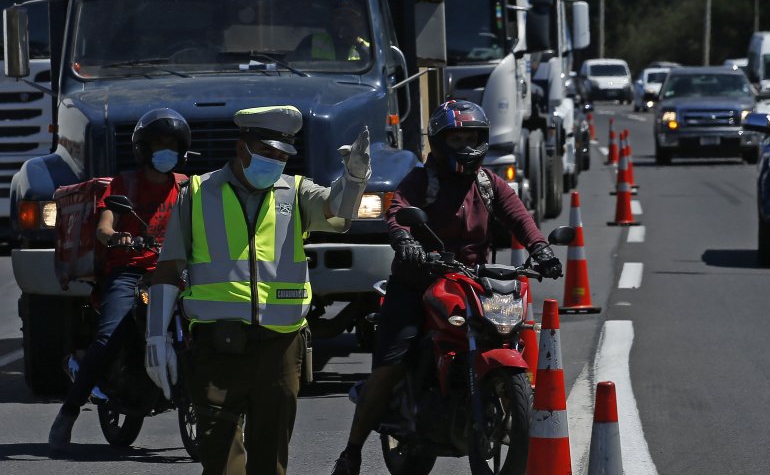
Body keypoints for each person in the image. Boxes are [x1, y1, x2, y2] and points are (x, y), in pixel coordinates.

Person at [330, 100, 562, 475]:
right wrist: (406, 241)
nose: (465, 144)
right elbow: (398, 211)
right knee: (391, 364)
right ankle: (351, 453)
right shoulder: (423, 180)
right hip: (417, 283)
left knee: (504, 335)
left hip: (472, 282)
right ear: (439, 142)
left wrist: (542, 249)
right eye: (456, 136)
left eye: (472, 136)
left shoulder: (487, 183)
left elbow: (519, 215)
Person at [145, 105, 370, 475]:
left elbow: (337, 212)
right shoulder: (198, 193)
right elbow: (169, 269)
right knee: (220, 460)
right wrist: (156, 337)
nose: (275, 162)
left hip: (281, 346)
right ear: (242, 148)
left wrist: (355, 178)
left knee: (270, 459)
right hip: (218, 347)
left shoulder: (296, 192)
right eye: (267, 153)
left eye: (282, 156)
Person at [48, 108, 192, 450]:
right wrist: (117, 238)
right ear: (144, 149)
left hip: (175, 269)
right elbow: (104, 226)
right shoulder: (122, 185)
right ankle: (68, 413)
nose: (166, 151)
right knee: (108, 335)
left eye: (172, 144)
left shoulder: (187, 186)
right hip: (130, 271)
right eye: (159, 144)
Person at [296, 3, 371, 62]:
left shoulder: (370, 48)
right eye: (339, 15)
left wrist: (358, 44)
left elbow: (376, 68)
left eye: (350, 15)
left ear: (360, 22)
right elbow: (294, 68)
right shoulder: (311, 42)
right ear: (332, 20)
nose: (344, 19)